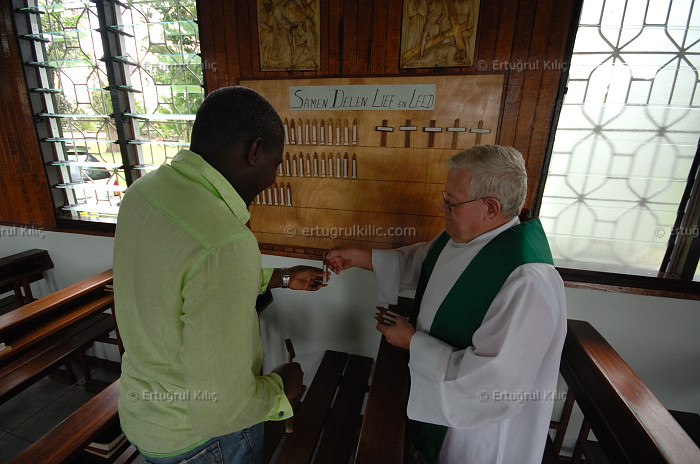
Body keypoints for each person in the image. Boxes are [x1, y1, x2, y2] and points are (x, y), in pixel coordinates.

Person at [113, 86, 328, 463]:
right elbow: (223, 411)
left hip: (145, 417)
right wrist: (281, 387)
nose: (273, 179)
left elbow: (177, 283)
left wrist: (278, 277)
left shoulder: (145, 192)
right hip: (202, 442)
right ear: (254, 150)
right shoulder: (226, 241)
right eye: (275, 164)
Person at [325, 145, 567, 464]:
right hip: (436, 392)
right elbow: (429, 262)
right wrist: (364, 258)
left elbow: (493, 383)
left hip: (475, 431)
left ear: (491, 207)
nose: (442, 209)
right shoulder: (471, 237)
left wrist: (412, 341)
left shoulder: (526, 281)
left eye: (451, 202)